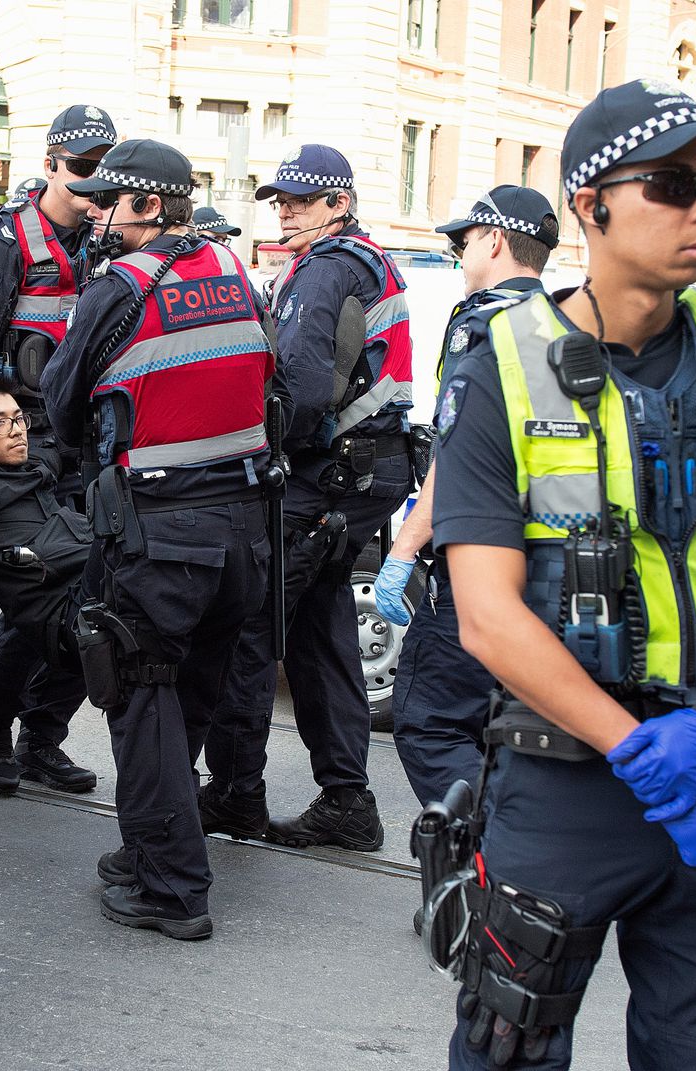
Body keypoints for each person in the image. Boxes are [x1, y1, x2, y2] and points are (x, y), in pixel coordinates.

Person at [433, 79, 696, 1069]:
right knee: (506, 1046)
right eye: (668, 184)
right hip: (566, 777)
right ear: (588, 202)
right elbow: (485, 616)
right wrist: (634, 749)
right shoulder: (500, 366)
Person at [41, 139, 274, 940]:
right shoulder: (234, 270)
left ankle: (172, 888)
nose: (97, 213)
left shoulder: (121, 286)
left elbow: (62, 399)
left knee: (141, 699)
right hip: (243, 534)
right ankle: (151, 848)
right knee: (189, 700)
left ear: (147, 207)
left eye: (111, 202)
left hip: (160, 534)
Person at [201, 144, 413, 852]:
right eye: (280, 200)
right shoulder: (370, 261)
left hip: (324, 476)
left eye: (299, 200)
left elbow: (299, 388)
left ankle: (235, 792)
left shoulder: (323, 270)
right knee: (323, 638)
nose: (285, 211)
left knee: (249, 629)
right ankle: (347, 800)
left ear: (339, 205)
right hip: (365, 477)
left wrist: (245, 450)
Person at [375, 185, 558, 809]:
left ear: (496, 240)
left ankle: (488, 857)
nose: (459, 255)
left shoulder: (482, 323)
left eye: (464, 242)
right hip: (542, 559)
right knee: (506, 729)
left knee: (430, 723)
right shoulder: (562, 322)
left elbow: (458, 454)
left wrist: (402, 552)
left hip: (477, 559)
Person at [0, 105, 117, 789]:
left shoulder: (106, 247)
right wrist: (18, 392)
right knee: (38, 604)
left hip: (81, 450)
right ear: (49, 164)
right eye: (80, 170)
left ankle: (41, 735)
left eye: (102, 173)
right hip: (16, 461)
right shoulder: (6, 245)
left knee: (96, 597)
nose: (90, 186)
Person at [0, 380, 93, 796]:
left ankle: (40, 741)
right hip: (31, 599)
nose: (15, 429)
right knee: (39, 622)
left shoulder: (37, 463)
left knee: (100, 621)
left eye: (18, 419)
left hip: (71, 585)